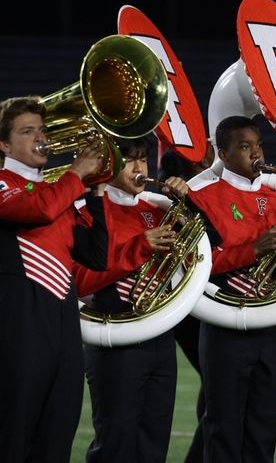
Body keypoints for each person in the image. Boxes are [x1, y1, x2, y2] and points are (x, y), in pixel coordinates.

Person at [0, 96, 107, 463]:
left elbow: (94, 256)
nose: (41, 137)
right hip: (17, 320)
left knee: (55, 440)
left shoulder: (59, 190)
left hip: (62, 324)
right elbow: (38, 209)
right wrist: (75, 174)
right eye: (27, 131)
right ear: (3, 143)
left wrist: (95, 192)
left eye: (43, 129)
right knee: (9, 439)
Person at [185, 116, 276, 463]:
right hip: (223, 322)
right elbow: (193, 265)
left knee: (264, 423)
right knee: (224, 426)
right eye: (244, 147)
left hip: (268, 320)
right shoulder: (201, 196)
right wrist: (254, 250)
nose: (255, 154)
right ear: (224, 153)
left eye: (258, 145)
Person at [74, 137, 188, 463]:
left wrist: (188, 204)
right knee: (115, 443)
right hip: (114, 337)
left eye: (143, 159)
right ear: (108, 165)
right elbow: (79, 281)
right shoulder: (88, 210)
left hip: (160, 335)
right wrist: (141, 246)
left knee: (154, 444)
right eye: (129, 160)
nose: (139, 168)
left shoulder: (158, 208)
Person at [159, 141, 214, 463]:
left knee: (216, 390)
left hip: (201, 300)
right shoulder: (174, 196)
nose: (213, 159)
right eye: (205, 156)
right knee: (220, 391)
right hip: (190, 306)